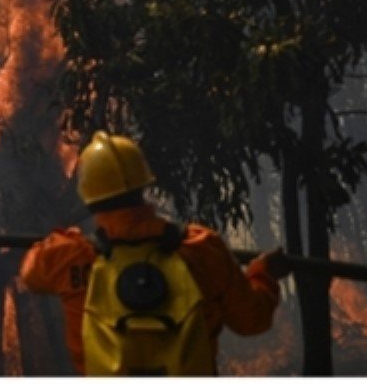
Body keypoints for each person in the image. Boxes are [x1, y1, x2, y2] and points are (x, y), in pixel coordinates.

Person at [20, 131, 290, 375]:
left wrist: (66, 239)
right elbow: (252, 320)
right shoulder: (202, 248)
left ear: (88, 197)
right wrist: (263, 274)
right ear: (143, 186)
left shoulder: (70, 258)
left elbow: (30, 272)